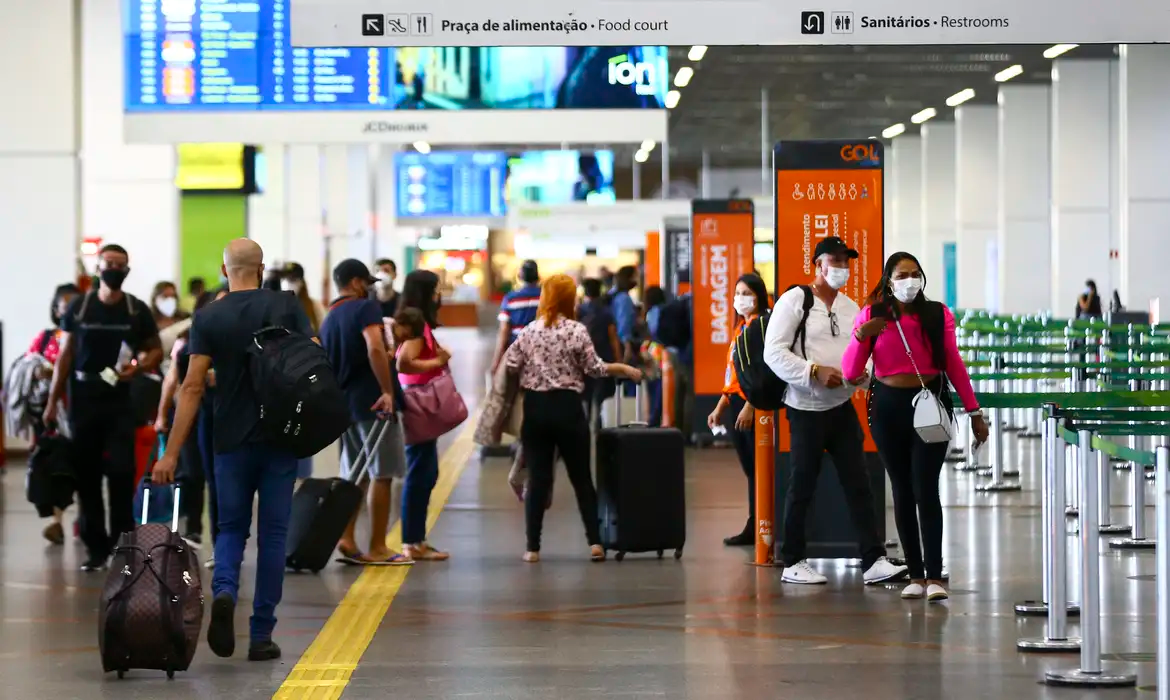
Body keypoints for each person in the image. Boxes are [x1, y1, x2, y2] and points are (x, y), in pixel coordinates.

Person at [151, 239, 313, 662]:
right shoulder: (286, 306)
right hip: (281, 436)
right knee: (274, 534)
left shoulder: (208, 316)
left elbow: (190, 386)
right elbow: (314, 361)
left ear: (225, 270)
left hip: (229, 439)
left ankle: (224, 592)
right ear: (260, 268)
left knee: (230, 529)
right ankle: (261, 634)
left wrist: (171, 453)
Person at [843, 252, 989, 602]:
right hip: (887, 407)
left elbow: (953, 362)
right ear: (888, 280)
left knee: (926, 488)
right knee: (902, 489)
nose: (909, 280)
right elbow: (851, 372)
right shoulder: (873, 314)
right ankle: (915, 572)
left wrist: (974, 412)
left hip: (931, 403)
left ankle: (935, 576)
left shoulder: (937, 314)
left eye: (915, 274)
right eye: (901, 274)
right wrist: (862, 336)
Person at [761, 237, 906, 587]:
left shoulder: (849, 306)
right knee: (803, 484)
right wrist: (813, 371)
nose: (841, 267)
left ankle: (872, 559)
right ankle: (793, 560)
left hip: (841, 408)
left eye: (846, 261)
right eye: (834, 260)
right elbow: (773, 353)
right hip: (805, 409)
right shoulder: (796, 300)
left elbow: (863, 352)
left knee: (858, 482)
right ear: (818, 264)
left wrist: (862, 376)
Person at [504, 274, 643, 563]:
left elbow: (510, 364)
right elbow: (595, 368)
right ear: (570, 299)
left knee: (538, 480)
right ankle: (595, 543)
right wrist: (625, 369)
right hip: (568, 409)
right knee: (581, 478)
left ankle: (532, 548)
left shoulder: (530, 331)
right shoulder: (576, 330)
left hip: (536, 409)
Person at [44, 244, 162, 572]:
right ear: (98, 268)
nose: (114, 269)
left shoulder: (135, 309)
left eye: (120, 264)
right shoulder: (79, 308)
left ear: (127, 270)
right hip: (82, 400)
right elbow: (64, 356)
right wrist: (53, 401)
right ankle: (96, 549)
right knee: (88, 476)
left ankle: (123, 545)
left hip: (120, 400)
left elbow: (154, 350)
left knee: (122, 473)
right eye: (109, 263)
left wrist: (138, 366)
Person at [319, 259, 411, 566]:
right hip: (373, 403)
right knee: (382, 474)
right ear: (357, 282)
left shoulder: (329, 317)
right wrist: (386, 391)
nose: (370, 289)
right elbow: (373, 347)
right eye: (367, 283)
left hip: (344, 404)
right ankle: (378, 547)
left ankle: (346, 538)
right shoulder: (365, 308)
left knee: (355, 476)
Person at [154, 288, 225, 551]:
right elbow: (172, 380)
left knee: (218, 479)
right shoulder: (187, 340)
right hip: (189, 416)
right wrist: (161, 415)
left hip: (220, 415)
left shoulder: (238, 338)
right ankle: (192, 528)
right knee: (191, 473)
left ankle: (221, 542)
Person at [707, 273, 769, 547]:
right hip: (735, 404)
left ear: (760, 297)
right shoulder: (741, 329)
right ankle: (754, 522)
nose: (741, 299)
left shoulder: (762, 329)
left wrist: (750, 405)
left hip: (751, 406)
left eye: (747, 293)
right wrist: (721, 404)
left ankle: (760, 524)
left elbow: (764, 372)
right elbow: (732, 374)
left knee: (758, 469)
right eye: (737, 293)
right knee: (749, 469)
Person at [395, 269, 453, 562]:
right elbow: (404, 363)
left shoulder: (415, 318)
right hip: (418, 403)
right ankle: (411, 541)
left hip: (419, 403)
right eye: (435, 289)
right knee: (421, 471)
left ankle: (416, 538)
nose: (438, 295)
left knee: (426, 471)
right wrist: (438, 360)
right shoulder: (415, 320)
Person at [280, 261, 325, 481]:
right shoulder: (273, 305)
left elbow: (321, 337)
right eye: (287, 278)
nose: (290, 283)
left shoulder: (312, 306)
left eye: (294, 278)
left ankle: (302, 478)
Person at [577, 278, 621, 424]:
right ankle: (599, 425)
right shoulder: (606, 312)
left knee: (585, 396)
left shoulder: (579, 310)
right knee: (602, 396)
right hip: (604, 358)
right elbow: (613, 338)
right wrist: (618, 360)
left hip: (583, 359)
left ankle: (585, 423)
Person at [490, 260, 542, 375]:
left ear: (520, 276)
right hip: (541, 350)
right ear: (538, 276)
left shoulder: (511, 298)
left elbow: (504, 331)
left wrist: (496, 361)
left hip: (517, 350)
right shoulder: (545, 297)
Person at [609, 265, 639, 362]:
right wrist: (627, 346)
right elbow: (624, 323)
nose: (638, 279)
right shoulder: (624, 298)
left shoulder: (612, 294)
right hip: (621, 345)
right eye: (636, 276)